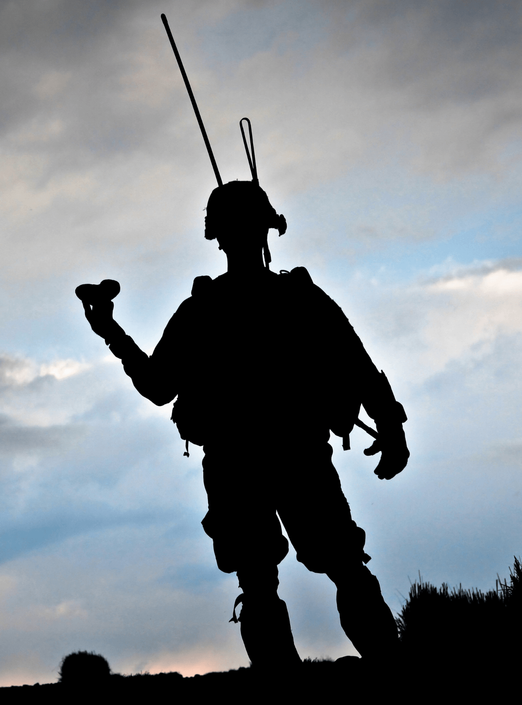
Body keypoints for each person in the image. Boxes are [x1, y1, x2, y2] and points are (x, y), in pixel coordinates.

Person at [77, 180, 409, 669]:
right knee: (343, 568)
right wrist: (391, 427)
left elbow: (155, 385)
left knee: (263, 582)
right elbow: (358, 366)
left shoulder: (202, 311)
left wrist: (109, 330)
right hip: (297, 455)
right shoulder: (299, 299)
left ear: (217, 236)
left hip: (239, 463)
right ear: (267, 230)